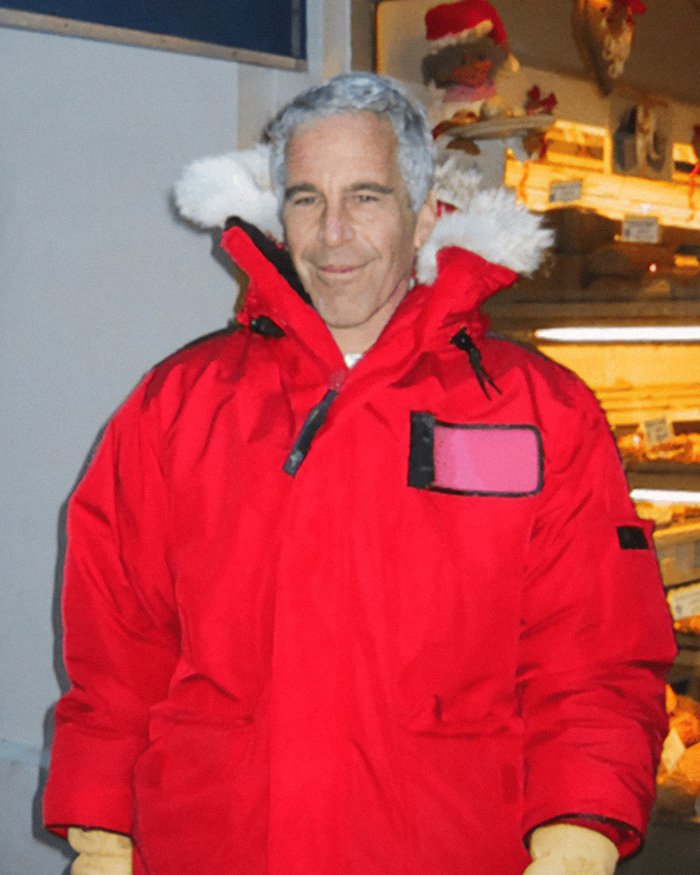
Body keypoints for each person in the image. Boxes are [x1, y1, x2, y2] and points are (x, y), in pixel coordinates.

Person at [44, 73, 676, 875]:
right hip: (214, 848)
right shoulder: (178, 408)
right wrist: (105, 833)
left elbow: (595, 662)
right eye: (307, 198)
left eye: (367, 196)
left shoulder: (537, 413)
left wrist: (577, 831)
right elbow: (117, 657)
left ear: (424, 216)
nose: (333, 233)